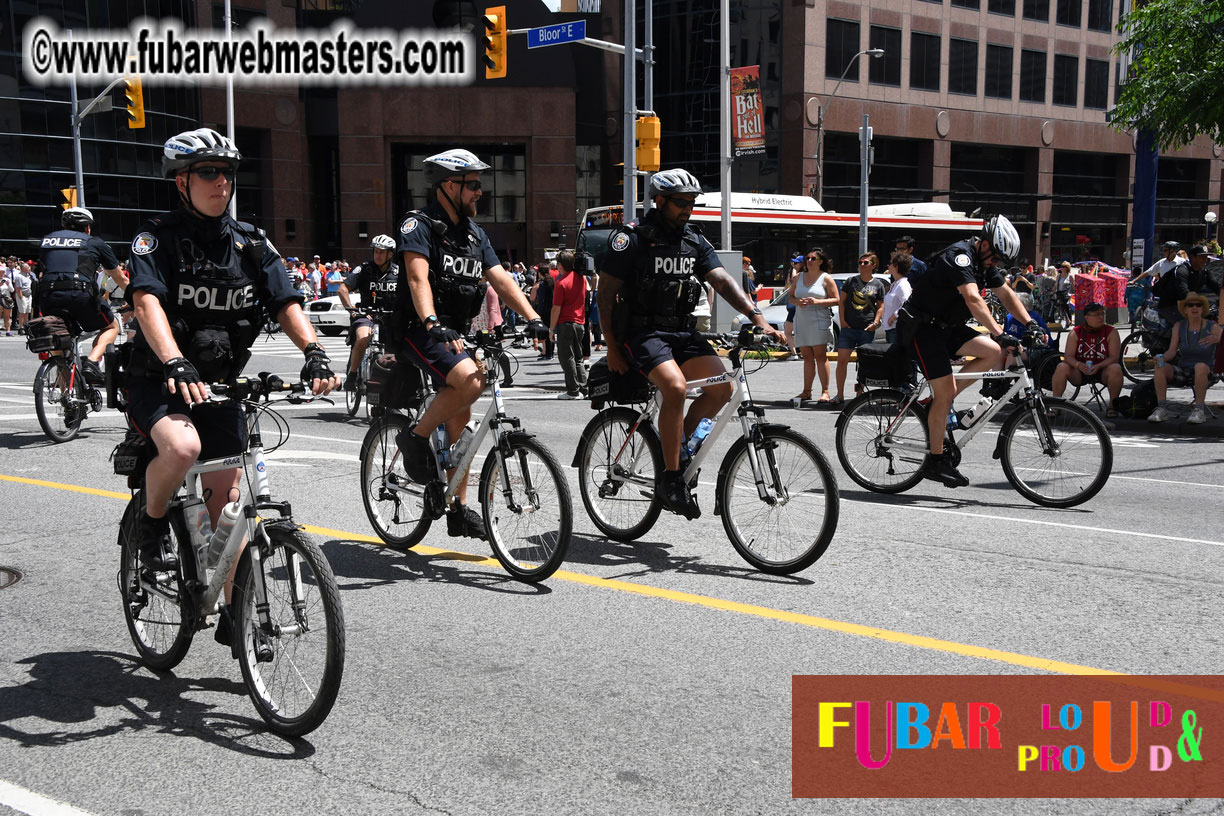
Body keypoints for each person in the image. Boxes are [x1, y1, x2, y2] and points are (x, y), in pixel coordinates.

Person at [123, 127, 338, 576]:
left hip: (219, 386)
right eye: (208, 172)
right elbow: (146, 303)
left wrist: (314, 352)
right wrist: (174, 361)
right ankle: (150, 520)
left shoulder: (251, 243)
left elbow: (286, 302)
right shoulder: (155, 239)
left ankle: (237, 618)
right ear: (182, 181)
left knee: (229, 509)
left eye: (227, 172)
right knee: (183, 449)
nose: (221, 181)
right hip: (159, 379)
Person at [598, 168, 784, 519]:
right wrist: (610, 345)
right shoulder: (632, 238)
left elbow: (723, 281)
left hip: (682, 332)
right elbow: (605, 295)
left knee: (721, 390)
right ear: (660, 200)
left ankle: (678, 447)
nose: (688, 209)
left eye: (692, 203)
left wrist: (758, 318)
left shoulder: (693, 239)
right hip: (643, 333)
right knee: (676, 388)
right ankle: (670, 479)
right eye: (681, 203)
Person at [392, 148, 546, 540]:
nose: (481, 192)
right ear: (448, 185)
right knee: (469, 380)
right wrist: (430, 320)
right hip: (418, 326)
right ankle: (415, 436)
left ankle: (458, 508)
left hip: (455, 331)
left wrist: (534, 319)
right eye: (473, 184)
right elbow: (416, 278)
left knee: (463, 414)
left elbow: (501, 280)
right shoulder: (419, 225)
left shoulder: (475, 235)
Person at [897, 214, 1044, 488]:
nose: (996, 264)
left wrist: (1030, 322)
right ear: (985, 243)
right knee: (946, 392)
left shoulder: (984, 262)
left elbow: (1007, 295)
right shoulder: (960, 256)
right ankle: (935, 461)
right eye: (996, 258)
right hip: (922, 329)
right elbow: (973, 298)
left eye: (1000, 262)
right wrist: (1000, 334)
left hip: (947, 327)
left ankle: (940, 406)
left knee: (990, 353)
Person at [31, 207, 128, 383]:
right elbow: (119, 277)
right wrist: (136, 299)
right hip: (79, 294)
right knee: (111, 327)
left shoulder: (47, 241)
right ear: (87, 228)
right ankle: (91, 361)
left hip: (48, 297)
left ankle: (67, 400)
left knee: (58, 339)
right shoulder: (94, 242)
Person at [338, 234, 400, 391]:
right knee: (363, 338)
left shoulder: (398, 273)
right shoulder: (364, 269)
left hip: (389, 317)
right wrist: (352, 311)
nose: (377, 255)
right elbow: (343, 289)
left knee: (395, 350)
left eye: (381, 252)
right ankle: (352, 375)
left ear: (390, 254)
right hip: (366, 315)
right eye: (375, 251)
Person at [1149, 292, 1221, 424]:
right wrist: (1161, 358)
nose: (1194, 308)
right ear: (1185, 309)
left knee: (1200, 366)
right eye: (1190, 305)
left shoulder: (1212, 326)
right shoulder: (1179, 326)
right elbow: (1171, 352)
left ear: (1203, 309)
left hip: (1207, 370)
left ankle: (1199, 410)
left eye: (1198, 305)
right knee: (1160, 366)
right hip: (1184, 369)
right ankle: (1162, 409)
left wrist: (1218, 339)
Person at [1051, 301, 1122, 415]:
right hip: (1079, 371)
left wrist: (1099, 366)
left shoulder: (1111, 332)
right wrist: (1078, 365)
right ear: (1087, 317)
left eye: (1102, 313)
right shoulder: (1076, 332)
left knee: (1116, 368)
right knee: (1061, 366)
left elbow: (1114, 357)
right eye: (1096, 314)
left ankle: (1112, 406)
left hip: (1102, 370)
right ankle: (1055, 406)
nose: (1100, 317)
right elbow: (1068, 356)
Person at [834, 251, 887, 402]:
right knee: (841, 360)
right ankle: (840, 394)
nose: (861, 265)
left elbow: (880, 306)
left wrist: (875, 323)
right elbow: (842, 302)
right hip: (849, 328)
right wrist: (843, 321)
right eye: (860, 262)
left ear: (874, 265)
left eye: (865, 263)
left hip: (866, 329)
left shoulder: (878, 284)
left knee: (864, 364)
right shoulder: (851, 281)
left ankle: (860, 395)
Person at [788, 247, 839, 403]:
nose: (809, 261)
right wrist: (798, 302)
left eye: (813, 259)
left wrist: (817, 301)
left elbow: (836, 299)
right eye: (807, 258)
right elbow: (790, 297)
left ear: (820, 261)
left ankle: (825, 391)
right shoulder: (798, 277)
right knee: (807, 357)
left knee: (820, 356)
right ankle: (806, 391)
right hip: (802, 319)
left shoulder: (826, 278)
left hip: (819, 319)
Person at [549, 250, 589, 399]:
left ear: (560, 264)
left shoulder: (561, 282)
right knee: (578, 357)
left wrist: (551, 329)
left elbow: (556, 308)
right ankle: (584, 389)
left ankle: (573, 390)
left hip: (565, 323)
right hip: (580, 322)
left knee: (567, 357)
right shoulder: (581, 278)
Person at [1133, 241, 1188, 329]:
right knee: (1162, 318)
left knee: (1177, 321)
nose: (1163, 252)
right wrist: (1134, 280)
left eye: (1165, 250)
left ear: (1172, 251)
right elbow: (1148, 272)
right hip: (1164, 295)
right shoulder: (1162, 262)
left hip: (1177, 296)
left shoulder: (1182, 262)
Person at [882, 251, 914, 343]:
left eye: (890, 263)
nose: (888, 265)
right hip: (890, 328)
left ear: (896, 266)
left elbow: (907, 304)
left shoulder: (903, 285)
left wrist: (894, 316)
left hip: (897, 328)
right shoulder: (894, 284)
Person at [782, 255, 803, 360]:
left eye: (796, 263)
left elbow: (794, 279)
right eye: (793, 263)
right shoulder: (806, 275)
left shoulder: (800, 275)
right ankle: (800, 353)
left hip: (796, 307)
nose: (794, 265)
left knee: (788, 332)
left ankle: (795, 354)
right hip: (795, 306)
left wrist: (794, 269)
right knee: (799, 331)